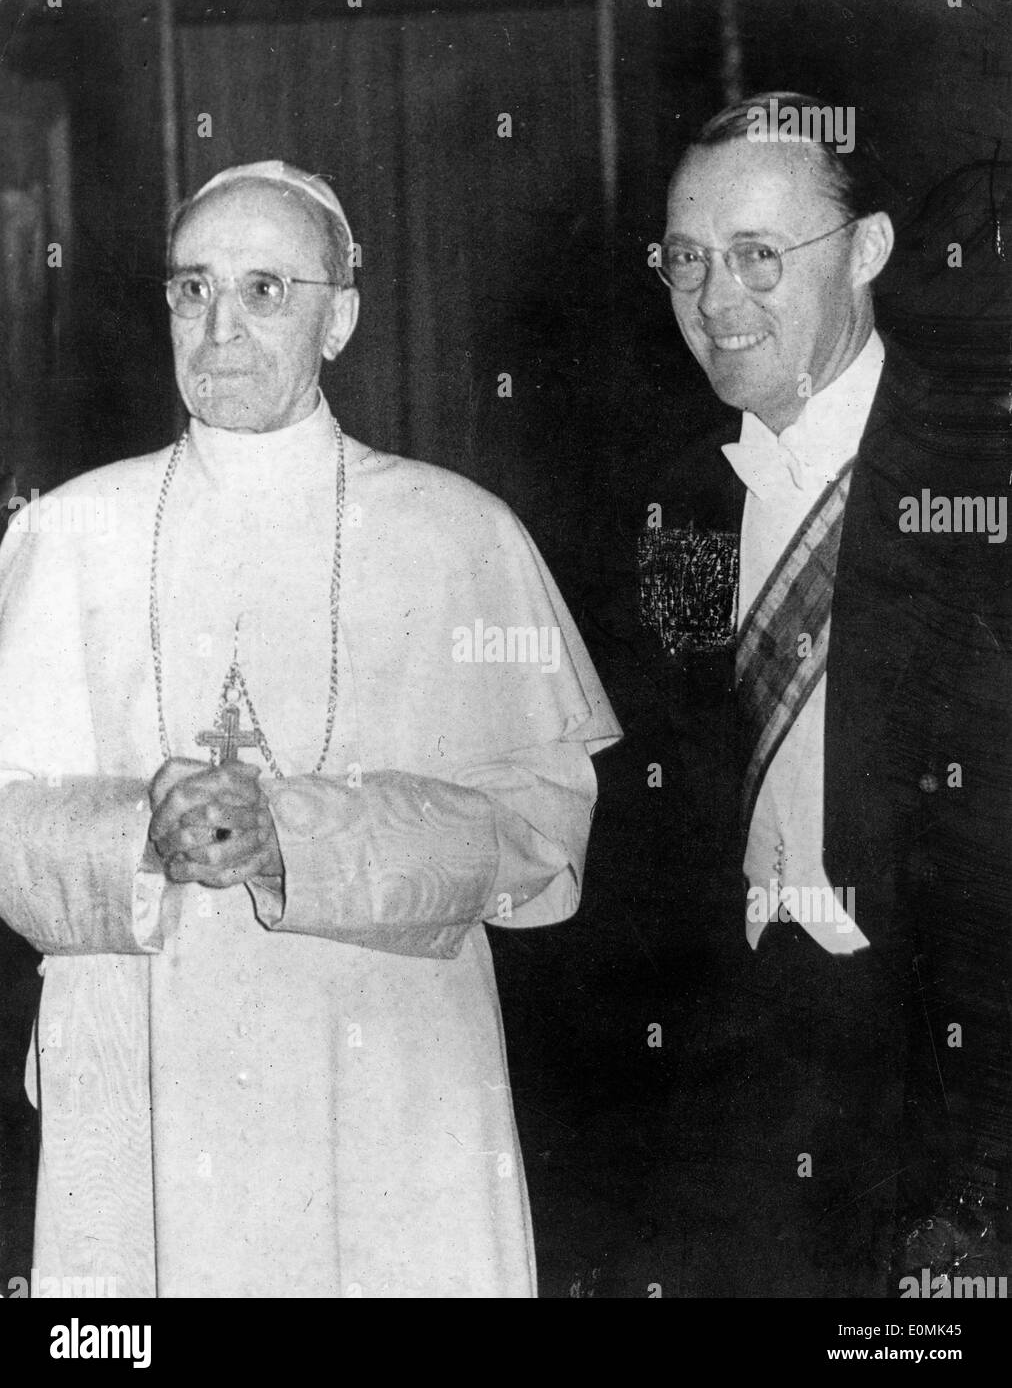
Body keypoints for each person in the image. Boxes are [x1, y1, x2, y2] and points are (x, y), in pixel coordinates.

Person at [0, 160, 621, 1298]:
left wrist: (302, 839)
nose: (220, 327)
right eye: (191, 291)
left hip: (387, 1077)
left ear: (339, 317)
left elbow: (541, 840)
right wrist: (133, 833)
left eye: (265, 291)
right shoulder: (66, 535)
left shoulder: (459, 537)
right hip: (139, 1067)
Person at [651, 93, 1010, 1295]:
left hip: (940, 1073)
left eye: (759, 256)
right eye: (688, 260)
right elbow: (676, 785)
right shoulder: (677, 497)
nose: (715, 303)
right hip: (740, 1062)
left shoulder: (976, 473)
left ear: (866, 253)